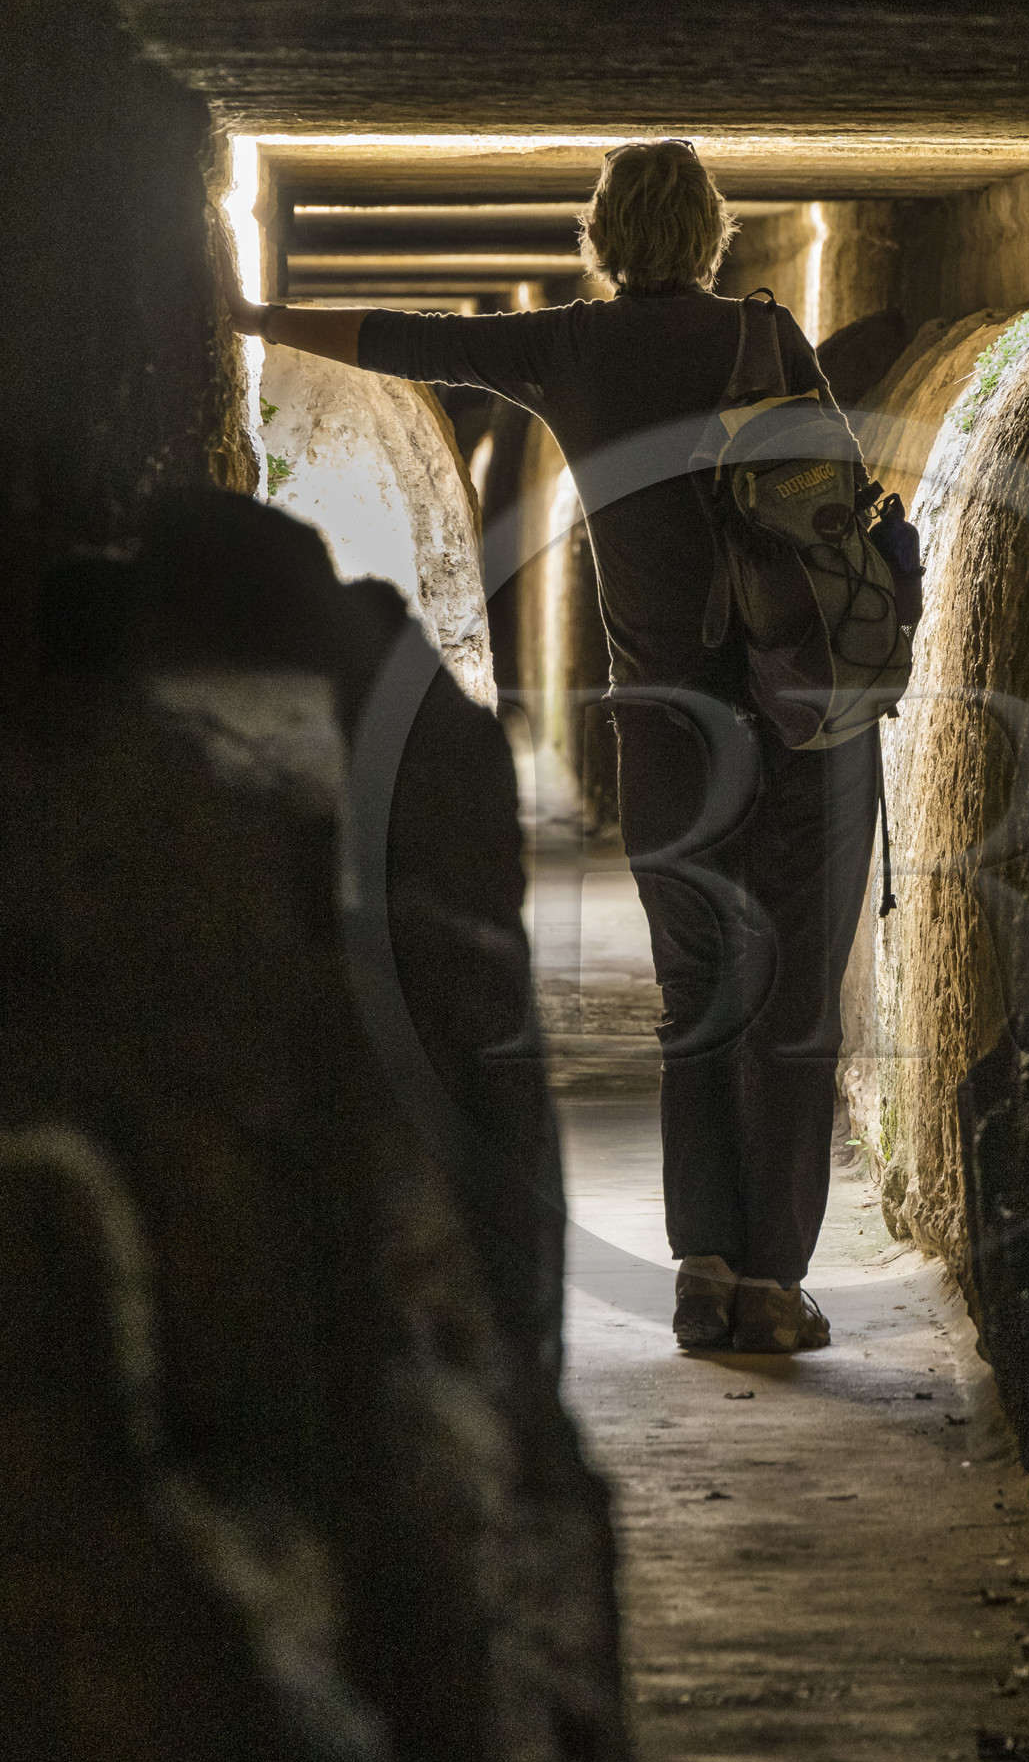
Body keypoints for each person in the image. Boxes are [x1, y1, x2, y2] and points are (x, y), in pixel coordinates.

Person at [226, 140, 878, 1354]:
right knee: (791, 1006)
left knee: (697, 998)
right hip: (806, 718)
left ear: (601, 239)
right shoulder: (765, 339)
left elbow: (402, 338)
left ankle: (705, 1264)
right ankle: (776, 1287)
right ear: (713, 233)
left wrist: (249, 309)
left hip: (668, 733)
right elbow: (839, 515)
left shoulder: (567, 348)